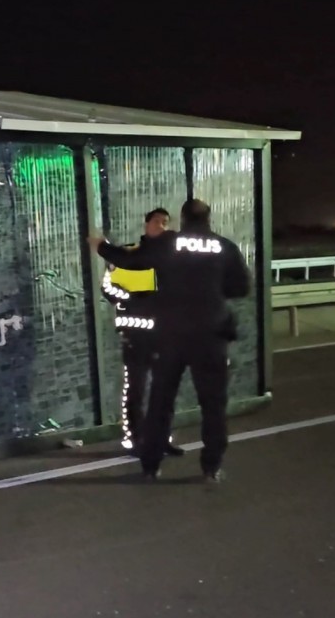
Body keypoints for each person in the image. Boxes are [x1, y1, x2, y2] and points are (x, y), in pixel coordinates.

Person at [88, 199, 251, 484]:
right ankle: (211, 466)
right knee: (213, 405)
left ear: (183, 219)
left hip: (170, 336)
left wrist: (100, 245)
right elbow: (241, 287)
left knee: (160, 401)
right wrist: (212, 292)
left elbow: (130, 260)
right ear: (208, 218)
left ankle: (151, 465)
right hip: (211, 336)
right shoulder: (223, 247)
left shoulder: (168, 244)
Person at [98, 208, 184, 458]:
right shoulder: (128, 254)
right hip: (135, 333)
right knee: (135, 389)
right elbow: (107, 287)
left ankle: (161, 437)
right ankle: (135, 438)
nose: (162, 226)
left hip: (165, 332)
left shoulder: (171, 256)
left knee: (164, 389)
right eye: (157, 221)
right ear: (146, 224)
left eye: (166, 222)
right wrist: (132, 299)